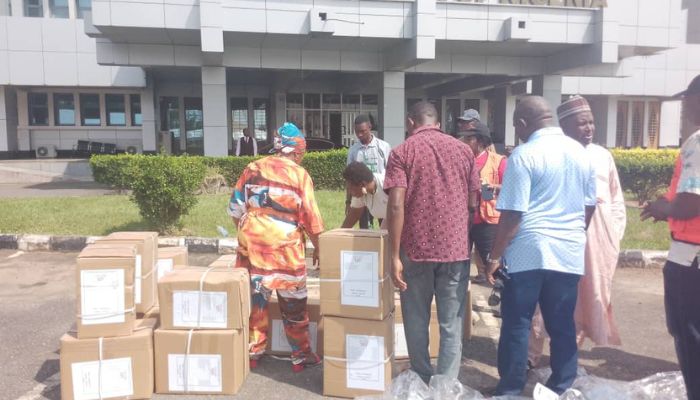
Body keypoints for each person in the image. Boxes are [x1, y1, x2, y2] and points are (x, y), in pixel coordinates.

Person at [485, 96, 596, 395]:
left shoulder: (524, 155)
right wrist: (570, 232)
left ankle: (510, 389)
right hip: (568, 251)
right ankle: (561, 386)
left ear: (523, 124)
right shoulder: (582, 153)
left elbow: (512, 215)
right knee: (561, 324)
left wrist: (494, 257)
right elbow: (589, 206)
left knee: (517, 322)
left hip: (528, 252)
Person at [384, 101, 479, 383]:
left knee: (416, 317)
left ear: (411, 122)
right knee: (451, 322)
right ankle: (446, 383)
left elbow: (396, 205)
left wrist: (394, 255)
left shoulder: (403, 152)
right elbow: (474, 201)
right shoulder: (464, 151)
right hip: (455, 250)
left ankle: (422, 375)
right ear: (437, 121)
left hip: (415, 248)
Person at [528, 95, 627, 366]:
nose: (589, 128)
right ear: (565, 125)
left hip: (598, 244)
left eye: (592, 123)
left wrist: (611, 233)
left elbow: (616, 199)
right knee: (546, 296)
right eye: (582, 123)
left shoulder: (602, 155)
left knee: (589, 297)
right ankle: (531, 355)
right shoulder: (556, 152)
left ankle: (569, 357)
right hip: (562, 236)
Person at [227, 122, 324, 372]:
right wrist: (320, 250)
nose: (301, 158)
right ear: (295, 151)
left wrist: (250, 230)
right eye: (301, 154)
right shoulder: (300, 175)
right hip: (285, 249)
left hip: (253, 245)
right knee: (293, 302)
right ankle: (301, 356)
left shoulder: (253, 168)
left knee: (256, 301)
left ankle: (253, 352)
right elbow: (312, 219)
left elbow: (235, 209)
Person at [641, 74, 700, 400]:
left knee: (691, 338)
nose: (684, 105)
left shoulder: (698, 142)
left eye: (688, 97)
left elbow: (692, 201)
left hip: (691, 261)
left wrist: (666, 207)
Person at [457, 121, 507, 284]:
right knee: (458, 264)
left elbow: (510, 188)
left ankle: (500, 297)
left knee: (493, 265)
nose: (463, 142)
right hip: (462, 220)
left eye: (468, 139)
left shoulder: (498, 161)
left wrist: (492, 187)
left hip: (487, 221)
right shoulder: (459, 160)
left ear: (479, 141)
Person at [346, 114, 392, 228]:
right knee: (365, 229)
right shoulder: (353, 151)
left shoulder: (384, 147)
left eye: (363, 131)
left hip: (382, 194)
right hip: (362, 193)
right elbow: (350, 179)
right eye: (357, 132)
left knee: (386, 226)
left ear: (370, 127)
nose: (360, 134)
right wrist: (348, 201)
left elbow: (391, 172)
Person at [341, 161, 388, 228]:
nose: (351, 193)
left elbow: (399, 211)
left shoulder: (386, 185)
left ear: (363, 184)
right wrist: (340, 234)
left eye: (351, 189)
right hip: (389, 216)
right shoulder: (360, 193)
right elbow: (354, 215)